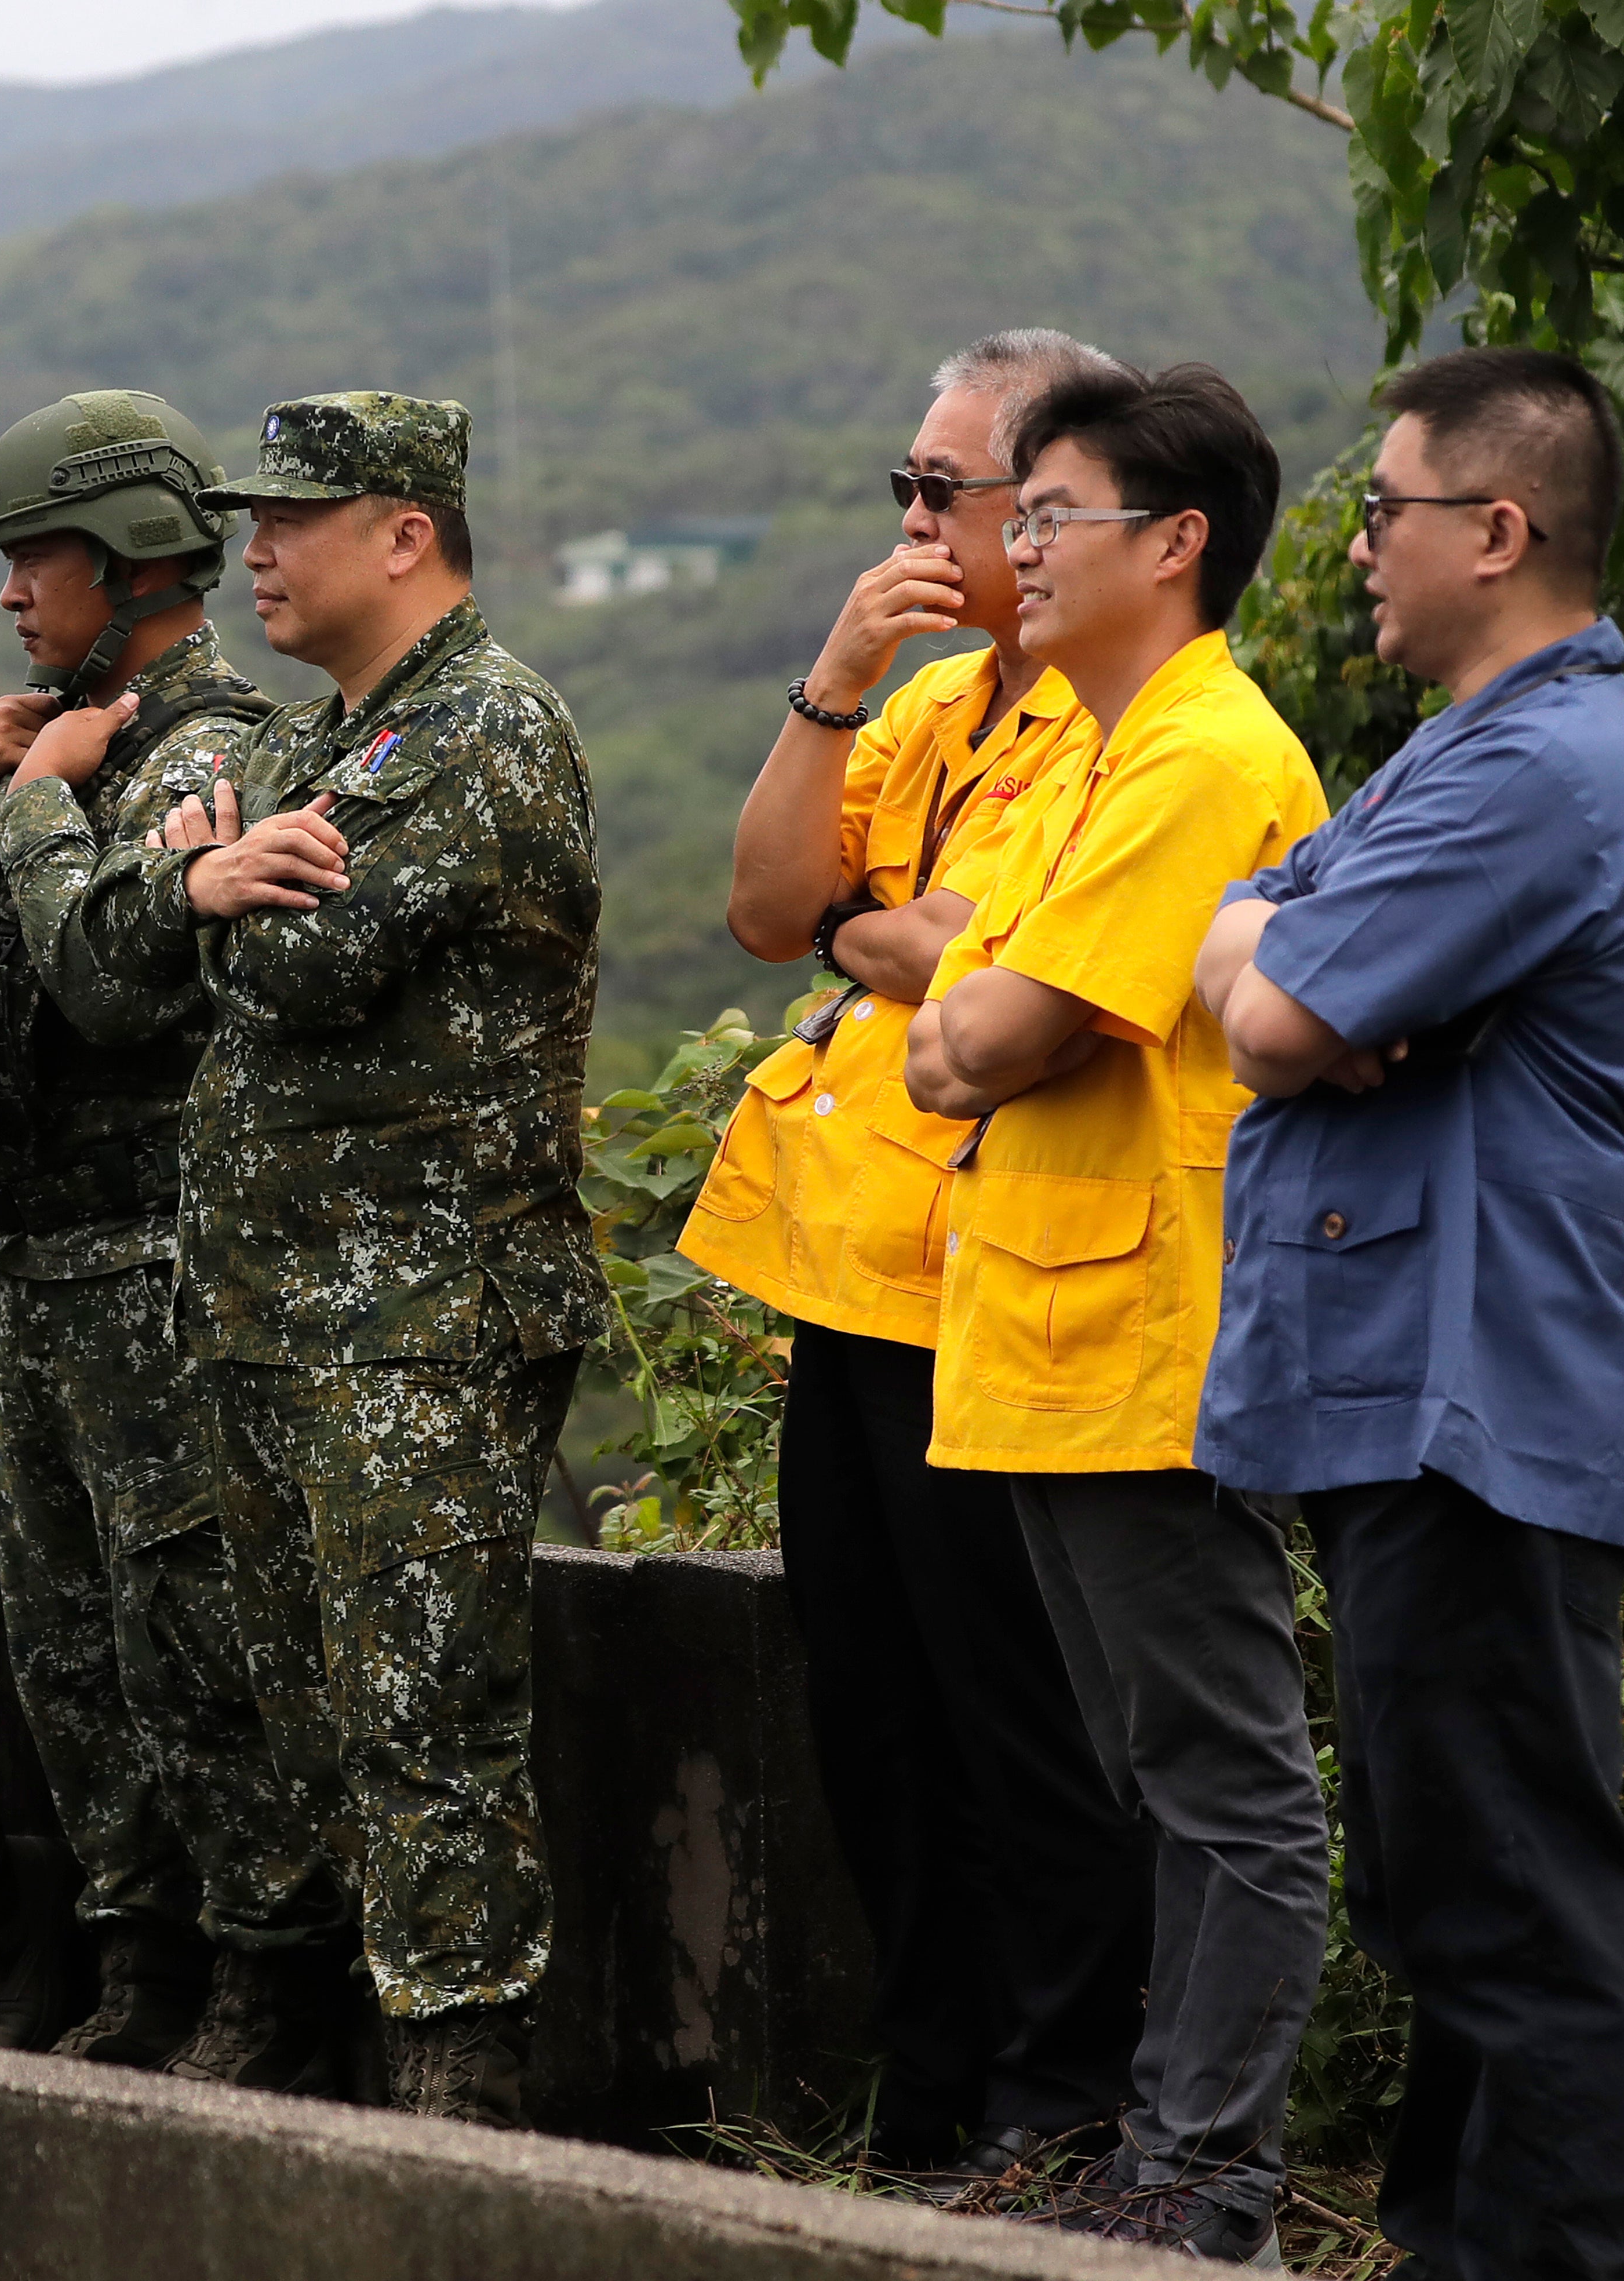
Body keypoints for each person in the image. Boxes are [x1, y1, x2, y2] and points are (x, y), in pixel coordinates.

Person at [1191, 349, 1624, 2279]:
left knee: (1515, 1898)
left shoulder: (1545, 767)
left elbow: (1271, 1008)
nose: (1358, 547)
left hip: (1486, 1402)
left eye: (1385, 508)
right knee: (1448, 1885)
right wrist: (1280, 956)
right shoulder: (1471, 746)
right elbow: (1247, 934)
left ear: (1499, 528)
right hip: (1422, 1401)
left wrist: (1281, 966)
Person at [70, 391, 604, 2125]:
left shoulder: (485, 731)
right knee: (301, 1716)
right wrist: (209, 885)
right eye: (249, 518)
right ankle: (369, 2078)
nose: (256, 552)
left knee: (423, 1721)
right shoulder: (319, 748)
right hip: (279, 1311)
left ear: (405, 534)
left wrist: (205, 887)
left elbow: (310, 970)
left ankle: (464, 2093)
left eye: (294, 520)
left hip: (422, 1313)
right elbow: (124, 975)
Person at [685, 330, 1149, 2191]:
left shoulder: (1119, 717)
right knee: (871, 1715)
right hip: (849, 1272)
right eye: (908, 487)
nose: (913, 520)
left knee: (1016, 1716)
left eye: (939, 491)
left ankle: (1064, 2102)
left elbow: (971, 959)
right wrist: (834, 684)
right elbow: (759, 907)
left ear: (1044, 506)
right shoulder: (928, 704)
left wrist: (866, 915)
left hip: (1000, 1279)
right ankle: (931, 2086)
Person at [901, 362, 1331, 2258]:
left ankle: (1213, 2164)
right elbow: (943, 1015)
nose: (1021, 544)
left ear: (1174, 544)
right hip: (1053, 1332)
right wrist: (968, 1001)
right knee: (1143, 1765)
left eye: (1051, 512)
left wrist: (971, 994)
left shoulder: (1199, 756)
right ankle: (1163, 2135)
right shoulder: (1089, 742)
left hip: (1155, 1335)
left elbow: (978, 1021)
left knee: (1223, 1771)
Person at [0, 391, 343, 2069]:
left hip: (155, 1262)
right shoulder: (45, 743)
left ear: (130, 554)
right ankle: (138, 1963)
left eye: (33, 558)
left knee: (192, 1647)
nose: (10, 593)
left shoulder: (208, 750)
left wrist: (28, 813)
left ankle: (264, 1980)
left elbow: (107, 980)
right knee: (69, 1656)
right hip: (37, 1267)